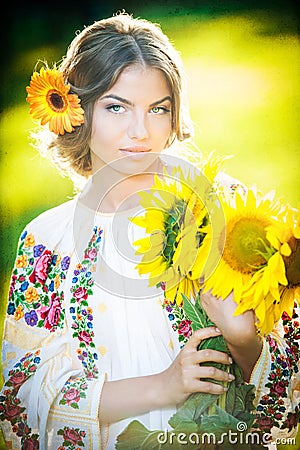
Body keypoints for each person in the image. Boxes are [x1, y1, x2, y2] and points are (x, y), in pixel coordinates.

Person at [0, 12, 299, 450]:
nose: (140, 132)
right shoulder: (50, 241)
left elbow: (288, 388)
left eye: (158, 109)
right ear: (77, 111)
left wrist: (242, 339)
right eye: (116, 107)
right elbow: (21, 403)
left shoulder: (229, 215)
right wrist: (162, 386)